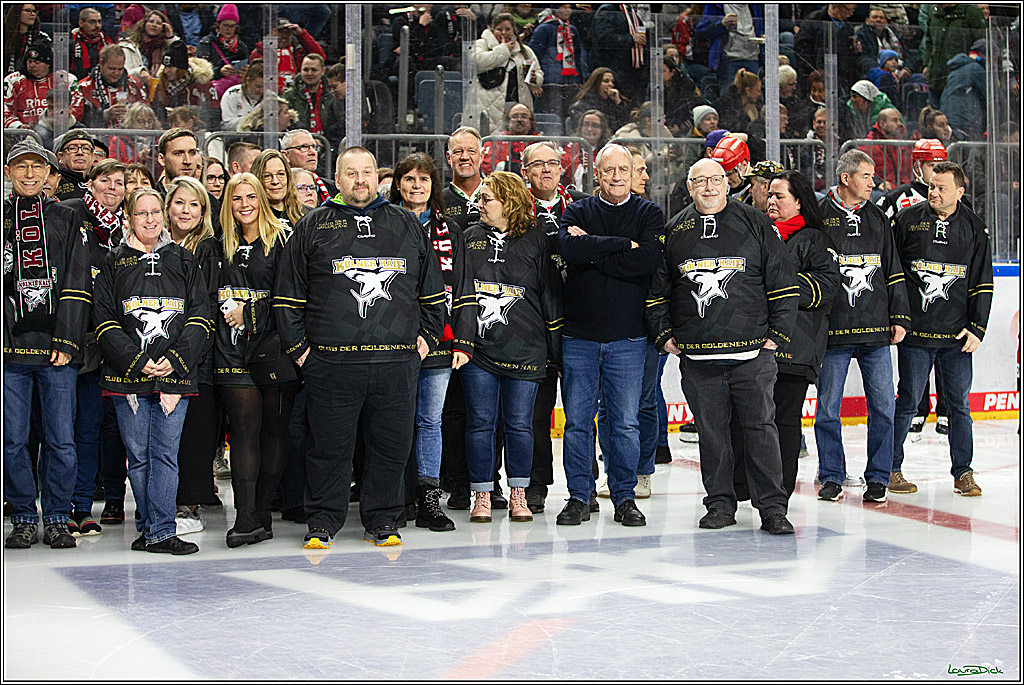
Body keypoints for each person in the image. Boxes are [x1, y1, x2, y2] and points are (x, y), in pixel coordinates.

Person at [273, 147, 447, 549]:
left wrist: (426, 341)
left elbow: (433, 294)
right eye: (351, 173)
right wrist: (301, 351)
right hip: (331, 364)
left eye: (367, 172)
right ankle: (322, 520)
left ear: (376, 175)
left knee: (390, 447)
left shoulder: (405, 223)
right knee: (329, 448)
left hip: (395, 362)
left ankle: (384, 519)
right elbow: (287, 297)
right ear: (337, 178)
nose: (360, 180)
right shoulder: (313, 225)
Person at [645, 157, 798, 534]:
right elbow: (657, 294)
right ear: (689, 186)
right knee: (712, 435)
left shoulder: (756, 222)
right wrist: (665, 335)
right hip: (699, 359)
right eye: (701, 181)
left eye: (716, 179)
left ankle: (773, 508)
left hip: (752, 356)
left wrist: (776, 337)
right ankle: (719, 504)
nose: (710, 187)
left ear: (728, 184)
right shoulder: (673, 230)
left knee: (761, 430)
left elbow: (783, 283)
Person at [92, 186, 208, 555]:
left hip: (175, 376)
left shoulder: (186, 261)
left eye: (155, 212)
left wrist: (174, 360)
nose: (151, 219)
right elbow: (105, 321)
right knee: (138, 456)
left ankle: (159, 530)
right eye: (142, 213)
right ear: (129, 217)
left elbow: (200, 317)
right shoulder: (112, 264)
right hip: (127, 377)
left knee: (164, 454)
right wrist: (137, 360)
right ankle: (152, 526)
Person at [556, 143, 663, 527]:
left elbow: (647, 261)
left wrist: (593, 251)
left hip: (629, 339)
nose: (617, 177)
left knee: (625, 423)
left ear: (634, 174)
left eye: (624, 170)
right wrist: (621, 245)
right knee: (577, 423)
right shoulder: (578, 210)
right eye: (609, 170)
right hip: (579, 337)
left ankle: (623, 497)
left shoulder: (648, 213)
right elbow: (569, 249)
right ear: (596, 174)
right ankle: (579, 497)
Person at [3, 141, 92, 550]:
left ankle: (57, 516)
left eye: (36, 167)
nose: (29, 174)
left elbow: (77, 280)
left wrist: (69, 338)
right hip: (8, 349)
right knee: (12, 440)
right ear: (8, 172)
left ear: (48, 173)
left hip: (57, 349)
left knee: (61, 438)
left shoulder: (66, 217)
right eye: (20, 167)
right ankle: (23, 514)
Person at [459, 171, 561, 524]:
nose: (480, 204)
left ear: (509, 202)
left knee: (520, 424)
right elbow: (461, 296)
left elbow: (550, 297)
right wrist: (462, 343)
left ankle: (520, 492)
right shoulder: (469, 237)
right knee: (480, 423)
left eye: (487, 199)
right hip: (479, 352)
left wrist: (554, 352)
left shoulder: (538, 240)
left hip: (526, 350)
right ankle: (483, 494)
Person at [732, 170, 840, 501]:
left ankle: (780, 489)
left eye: (780, 196)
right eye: (770, 195)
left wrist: (777, 287)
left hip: (795, 348)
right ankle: (741, 486)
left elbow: (825, 287)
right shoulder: (759, 234)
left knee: (784, 419)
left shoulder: (815, 240)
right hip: (754, 346)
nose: (772, 201)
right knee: (743, 417)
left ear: (798, 201)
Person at [891, 162, 993, 496]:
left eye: (942, 188)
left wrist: (977, 328)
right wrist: (898, 319)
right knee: (907, 402)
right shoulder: (907, 220)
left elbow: (982, 283)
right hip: (916, 335)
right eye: (932, 186)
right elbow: (893, 274)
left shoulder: (975, 228)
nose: (934, 193)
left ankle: (963, 472)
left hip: (957, 338)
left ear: (960, 192)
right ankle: (891, 468)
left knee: (960, 406)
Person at [815, 150, 911, 503]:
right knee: (827, 408)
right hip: (834, 332)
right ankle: (831, 475)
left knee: (884, 407)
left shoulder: (879, 219)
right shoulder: (820, 216)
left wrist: (899, 317)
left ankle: (878, 477)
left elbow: (894, 271)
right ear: (846, 179)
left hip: (875, 333)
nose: (874, 182)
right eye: (867, 176)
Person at [388, 153, 475, 531]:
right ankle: (395, 496)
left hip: (440, 340)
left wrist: (462, 341)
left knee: (429, 420)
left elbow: (461, 284)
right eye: (409, 178)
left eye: (424, 179)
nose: (416, 185)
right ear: (398, 184)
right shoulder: (384, 223)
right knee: (392, 420)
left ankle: (428, 499)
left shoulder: (450, 229)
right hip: (392, 338)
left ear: (433, 185)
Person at [214, 172, 298, 548]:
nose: (244, 204)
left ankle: (263, 513)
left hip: (275, 347)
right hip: (231, 350)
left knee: (274, 432)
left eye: (251, 196)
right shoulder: (217, 244)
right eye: (236, 198)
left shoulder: (282, 237)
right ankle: (245, 517)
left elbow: (294, 295)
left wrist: (251, 312)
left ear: (262, 199)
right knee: (244, 432)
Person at [61, 159, 128, 537]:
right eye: (105, 180)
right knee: (60, 429)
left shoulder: (126, 227)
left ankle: (82, 507)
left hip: (108, 344)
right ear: (91, 182)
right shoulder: (69, 213)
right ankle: (58, 505)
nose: (113, 188)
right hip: (70, 339)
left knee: (90, 428)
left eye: (120, 182)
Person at [520, 141, 586, 512]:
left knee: (579, 414)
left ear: (562, 168)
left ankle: (583, 486)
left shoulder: (581, 205)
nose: (546, 169)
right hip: (534, 326)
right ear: (525, 169)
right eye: (538, 164)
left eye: (552, 163)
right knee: (534, 413)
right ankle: (535, 485)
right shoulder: (517, 209)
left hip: (577, 323)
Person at [163, 176, 221, 534]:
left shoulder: (209, 249)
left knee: (197, 434)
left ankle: (189, 505)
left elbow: (207, 306)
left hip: (200, 357)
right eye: (180, 202)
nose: (186, 210)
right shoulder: (154, 246)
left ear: (203, 213)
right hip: (160, 356)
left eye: (194, 205)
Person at [472, 12, 544, 136]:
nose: (504, 33)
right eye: (499, 29)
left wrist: (534, 78)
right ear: (492, 30)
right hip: (489, 104)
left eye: (507, 29)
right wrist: (504, 49)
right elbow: (478, 62)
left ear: (513, 31)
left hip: (518, 105)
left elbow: (538, 74)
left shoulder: (524, 50)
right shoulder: (481, 44)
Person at [70, 44, 148, 128]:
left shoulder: (135, 84)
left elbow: (147, 114)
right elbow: (76, 119)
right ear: (101, 63)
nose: (116, 73)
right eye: (112, 69)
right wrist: (104, 115)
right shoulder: (84, 87)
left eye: (120, 69)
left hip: (131, 138)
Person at [4, 41, 76, 130]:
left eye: (36, 62)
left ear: (48, 63)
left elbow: (76, 108)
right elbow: (5, 109)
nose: (31, 66)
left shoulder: (66, 79)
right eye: (29, 61)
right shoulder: (12, 80)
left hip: (58, 130)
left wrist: (58, 125)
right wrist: (18, 126)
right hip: (22, 133)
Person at [153, 38, 221, 131]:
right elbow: (157, 114)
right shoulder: (162, 85)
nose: (166, 71)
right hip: (169, 133)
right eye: (165, 67)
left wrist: (197, 125)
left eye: (170, 67)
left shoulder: (203, 85)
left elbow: (214, 116)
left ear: (181, 68)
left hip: (200, 133)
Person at [694, 4, 765, 90]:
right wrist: (721, 24)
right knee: (729, 99)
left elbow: (760, 29)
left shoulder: (754, 5)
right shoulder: (716, 5)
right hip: (729, 60)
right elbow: (701, 33)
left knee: (754, 99)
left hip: (753, 58)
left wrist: (762, 36)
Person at [922, 4, 985, 99]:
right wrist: (926, 65)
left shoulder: (971, 11)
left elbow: (982, 42)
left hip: (961, 79)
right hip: (935, 78)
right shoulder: (933, 11)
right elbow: (929, 41)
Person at [590, 4, 647, 101]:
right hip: (614, 69)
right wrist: (630, 39)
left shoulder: (632, 14)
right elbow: (603, 38)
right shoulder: (608, 9)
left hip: (632, 72)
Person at [249, 17, 325, 91]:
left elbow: (320, 57)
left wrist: (302, 34)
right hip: (270, 94)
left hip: (296, 93)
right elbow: (256, 77)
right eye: (280, 32)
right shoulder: (260, 51)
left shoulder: (297, 49)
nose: (284, 36)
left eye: (288, 32)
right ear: (271, 32)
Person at [528, 3, 587, 89]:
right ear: (555, 9)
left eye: (569, 7)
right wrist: (536, 82)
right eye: (564, 7)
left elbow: (577, 56)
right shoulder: (543, 28)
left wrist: (579, 79)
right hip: (549, 79)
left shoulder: (572, 29)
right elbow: (534, 54)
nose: (567, 10)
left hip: (570, 80)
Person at [249, 149, 306, 230]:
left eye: (281, 174)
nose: (275, 181)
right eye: (267, 176)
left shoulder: (306, 215)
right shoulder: (250, 219)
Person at [442, 126, 486, 231]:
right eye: (458, 151)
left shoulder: (498, 197)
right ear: (449, 157)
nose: (465, 157)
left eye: (471, 151)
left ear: (481, 156)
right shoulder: (438, 200)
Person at [195, 4, 248, 86]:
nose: (228, 29)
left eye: (232, 26)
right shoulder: (206, 43)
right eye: (225, 25)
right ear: (218, 25)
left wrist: (245, 72)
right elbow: (198, 71)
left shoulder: (241, 46)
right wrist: (219, 72)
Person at [480, 103, 540, 175]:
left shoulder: (539, 142)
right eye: (515, 116)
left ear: (531, 121)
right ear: (508, 121)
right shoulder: (496, 141)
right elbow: (488, 168)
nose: (519, 119)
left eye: (524, 116)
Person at [281, 128, 338, 203]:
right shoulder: (278, 188)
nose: (312, 152)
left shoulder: (331, 187)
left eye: (314, 147)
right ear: (286, 155)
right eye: (303, 147)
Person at [567, 67, 631, 133]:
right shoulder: (582, 105)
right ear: (596, 83)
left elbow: (625, 126)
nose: (610, 84)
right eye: (606, 81)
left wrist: (618, 102)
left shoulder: (614, 104)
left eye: (612, 82)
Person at [864, 107, 911, 191]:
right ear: (882, 124)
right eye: (895, 120)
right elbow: (864, 170)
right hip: (881, 189)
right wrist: (879, 183)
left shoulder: (902, 143)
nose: (900, 124)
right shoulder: (869, 145)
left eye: (899, 120)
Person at [118, 9, 174, 80]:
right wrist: (140, 72)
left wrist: (170, 38)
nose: (154, 25)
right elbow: (123, 72)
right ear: (144, 24)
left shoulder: (167, 46)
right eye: (151, 21)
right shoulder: (128, 45)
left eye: (158, 23)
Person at [283, 54, 329, 135]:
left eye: (314, 70)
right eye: (305, 70)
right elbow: (289, 123)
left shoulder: (330, 95)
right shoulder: (289, 95)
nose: (309, 73)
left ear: (323, 71)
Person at [4, 4, 50, 77]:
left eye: (34, 11)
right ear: (17, 13)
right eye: (28, 11)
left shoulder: (42, 37)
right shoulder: (4, 35)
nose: (32, 14)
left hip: (30, 79)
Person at [712, 68, 762, 134]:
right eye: (758, 90)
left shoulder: (755, 107)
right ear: (748, 90)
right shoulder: (726, 104)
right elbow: (729, 128)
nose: (759, 94)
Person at [70, 7, 115, 79]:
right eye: (92, 22)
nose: (97, 25)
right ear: (81, 23)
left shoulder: (107, 43)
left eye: (99, 21)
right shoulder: (70, 43)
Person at [220, 59, 263, 131]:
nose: (262, 90)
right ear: (248, 80)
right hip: (236, 138)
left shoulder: (272, 97)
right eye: (258, 86)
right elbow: (226, 125)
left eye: (266, 86)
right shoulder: (232, 94)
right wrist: (253, 121)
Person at [53, 131, 96, 201]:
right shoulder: (54, 181)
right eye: (72, 148)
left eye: (86, 148)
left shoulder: (100, 180)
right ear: (60, 156)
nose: (80, 152)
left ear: (93, 156)